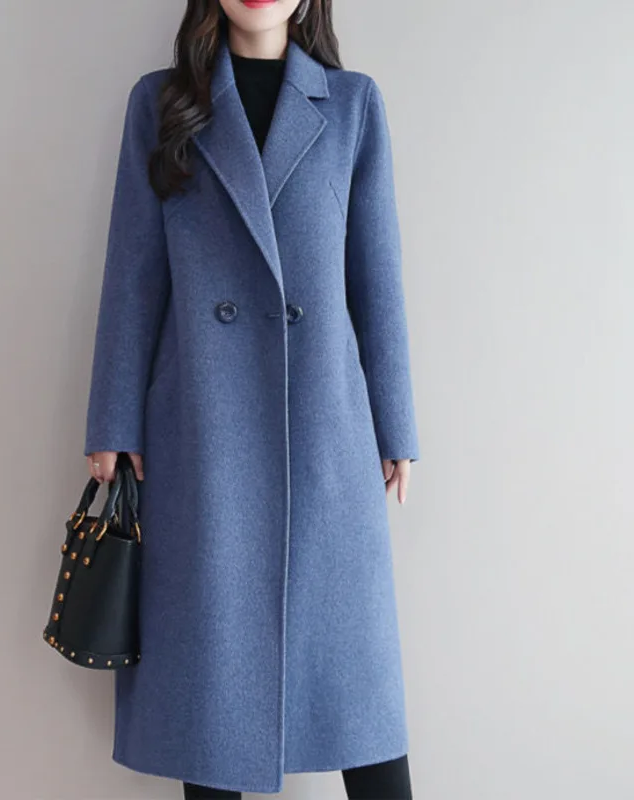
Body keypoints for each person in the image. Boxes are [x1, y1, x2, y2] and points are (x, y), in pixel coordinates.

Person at [83, 0, 420, 797]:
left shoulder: (353, 105)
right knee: (215, 704)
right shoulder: (162, 102)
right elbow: (133, 274)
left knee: (362, 698)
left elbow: (376, 278)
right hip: (205, 430)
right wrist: (113, 418)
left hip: (326, 433)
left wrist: (396, 426)